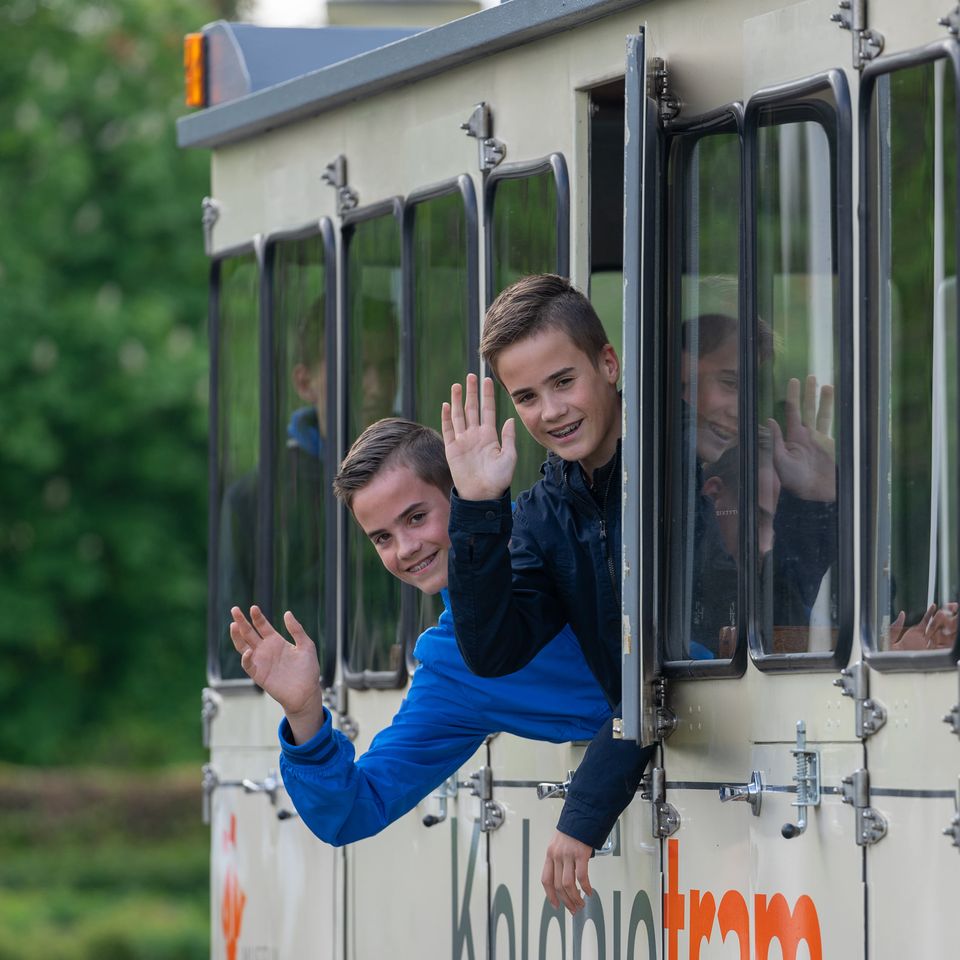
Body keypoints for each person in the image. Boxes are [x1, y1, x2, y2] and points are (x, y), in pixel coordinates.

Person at [228, 417, 612, 846]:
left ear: (459, 487)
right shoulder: (453, 667)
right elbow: (354, 810)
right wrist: (304, 714)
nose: (405, 549)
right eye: (382, 538)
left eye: (415, 517)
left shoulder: (555, 531)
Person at [442, 274, 655, 916]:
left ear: (609, 364)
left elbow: (674, 663)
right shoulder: (540, 512)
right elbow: (493, 649)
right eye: (527, 396)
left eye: (565, 382)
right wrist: (479, 508)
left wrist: (584, 809)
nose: (551, 412)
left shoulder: (684, 470)